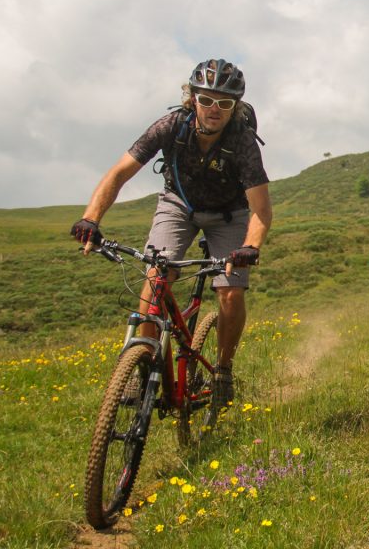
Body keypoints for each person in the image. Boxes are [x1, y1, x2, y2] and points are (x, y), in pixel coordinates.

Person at [70, 58, 272, 410]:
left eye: (224, 103)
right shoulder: (170, 126)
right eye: (206, 99)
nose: (214, 109)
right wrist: (91, 219)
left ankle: (222, 370)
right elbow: (119, 173)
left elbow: (260, 209)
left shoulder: (242, 142)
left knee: (230, 291)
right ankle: (141, 359)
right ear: (191, 97)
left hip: (230, 214)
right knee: (157, 272)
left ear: (234, 107)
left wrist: (250, 246)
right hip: (179, 204)